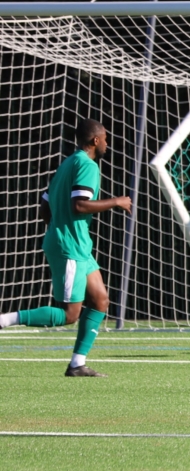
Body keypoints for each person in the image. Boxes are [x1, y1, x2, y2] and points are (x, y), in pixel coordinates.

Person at [0, 119, 132, 376]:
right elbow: (80, 205)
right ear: (95, 141)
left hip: (76, 245)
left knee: (100, 300)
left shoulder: (68, 162)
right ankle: (4, 320)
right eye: (105, 138)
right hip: (70, 246)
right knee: (70, 314)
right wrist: (116, 201)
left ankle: (77, 364)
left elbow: (45, 202)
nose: (107, 143)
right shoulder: (87, 165)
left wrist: (56, 228)